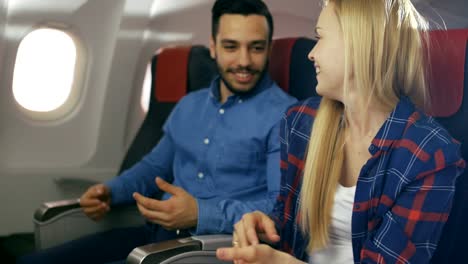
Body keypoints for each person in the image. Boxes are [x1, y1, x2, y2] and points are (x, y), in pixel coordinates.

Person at [17, 0, 296, 263]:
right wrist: (110, 191)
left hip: (212, 247)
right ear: (213, 47)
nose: (244, 61)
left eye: (256, 48)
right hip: (155, 235)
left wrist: (200, 213)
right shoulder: (189, 105)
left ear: (269, 49)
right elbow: (153, 168)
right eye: (231, 47)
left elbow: (279, 208)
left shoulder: (286, 115)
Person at [216, 0, 466, 263]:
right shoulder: (300, 122)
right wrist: (262, 226)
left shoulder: (430, 155)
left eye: (320, 37)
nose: (311, 53)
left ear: (358, 46)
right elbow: (288, 220)